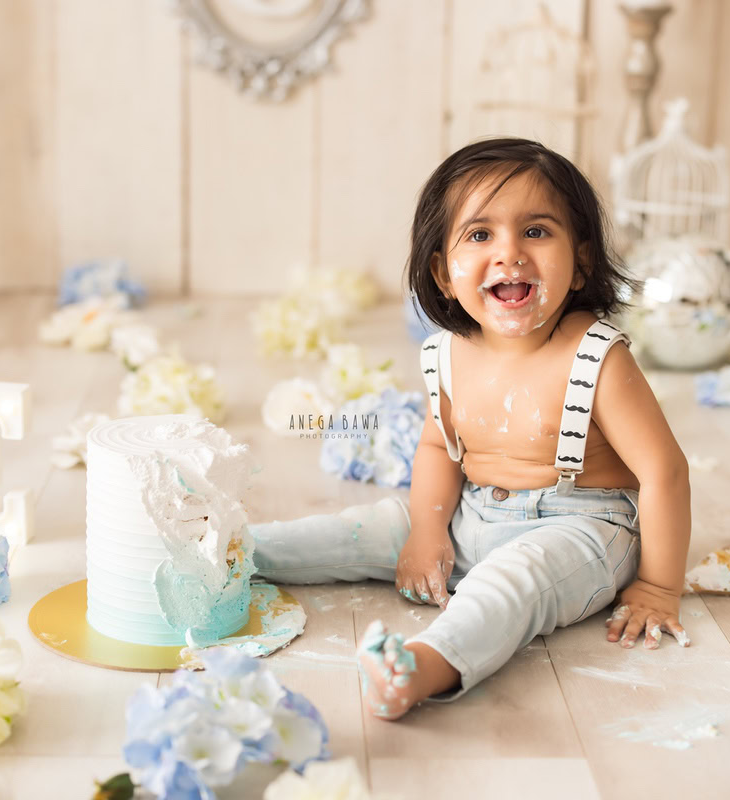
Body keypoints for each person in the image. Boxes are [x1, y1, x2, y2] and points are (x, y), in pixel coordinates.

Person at [250, 138, 691, 720]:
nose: (509, 254)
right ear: (443, 272)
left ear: (582, 259)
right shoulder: (449, 353)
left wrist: (659, 586)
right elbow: (438, 446)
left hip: (581, 529)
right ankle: (235, 554)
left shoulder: (596, 356)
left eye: (536, 231)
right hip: (472, 512)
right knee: (362, 528)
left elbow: (664, 472)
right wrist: (428, 532)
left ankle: (423, 667)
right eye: (481, 235)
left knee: (510, 586)